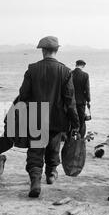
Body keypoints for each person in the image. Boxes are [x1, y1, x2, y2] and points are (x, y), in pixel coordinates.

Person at [19, 36, 80, 198]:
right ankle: (51, 174)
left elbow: (23, 96)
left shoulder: (32, 69)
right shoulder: (66, 71)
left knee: (36, 151)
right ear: (57, 50)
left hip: (37, 117)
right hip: (57, 119)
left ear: (43, 50)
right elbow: (70, 100)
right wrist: (75, 123)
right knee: (53, 148)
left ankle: (35, 181)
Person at [72, 60, 91, 138]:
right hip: (81, 102)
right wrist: (88, 100)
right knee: (81, 120)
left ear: (76, 64)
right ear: (83, 66)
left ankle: (71, 137)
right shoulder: (85, 75)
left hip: (71, 102)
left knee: (72, 119)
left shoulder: (70, 73)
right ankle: (81, 138)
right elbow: (87, 89)